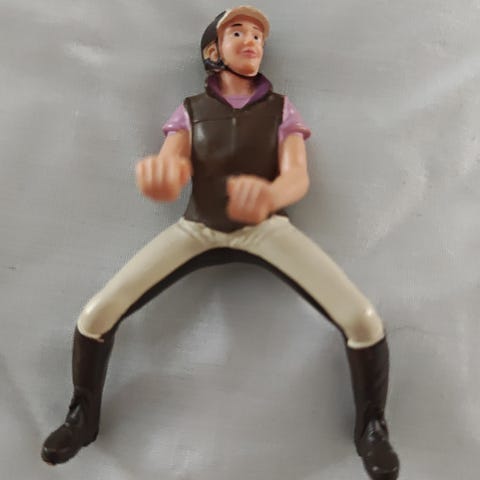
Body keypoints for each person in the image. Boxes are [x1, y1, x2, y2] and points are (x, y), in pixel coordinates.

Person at [41, 6, 399, 479]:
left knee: (363, 319)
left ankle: (372, 426)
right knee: (95, 315)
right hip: (199, 228)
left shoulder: (281, 109)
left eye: (258, 36)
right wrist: (161, 181)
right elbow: (175, 167)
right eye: (238, 32)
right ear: (213, 50)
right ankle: (82, 416)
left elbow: (296, 175)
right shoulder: (190, 111)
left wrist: (270, 196)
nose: (252, 41)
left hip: (266, 228)